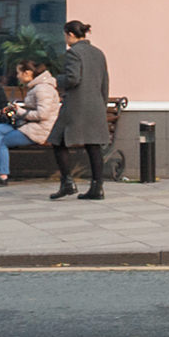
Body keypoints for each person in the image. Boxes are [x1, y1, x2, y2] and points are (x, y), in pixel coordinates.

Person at [48, 20, 112, 201]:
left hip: (76, 106)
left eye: (65, 35)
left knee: (57, 139)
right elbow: (105, 82)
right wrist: (102, 105)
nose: (65, 38)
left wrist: (57, 80)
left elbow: (73, 78)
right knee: (93, 145)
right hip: (96, 105)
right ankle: (97, 187)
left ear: (70, 34)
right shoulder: (98, 53)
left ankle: (67, 183)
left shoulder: (73, 53)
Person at [0, 58, 59, 185]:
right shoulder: (37, 87)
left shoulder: (42, 89)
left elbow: (42, 115)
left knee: (2, 142)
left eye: (18, 73)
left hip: (39, 130)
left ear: (27, 73)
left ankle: (2, 176)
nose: (17, 76)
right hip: (28, 125)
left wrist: (19, 111)